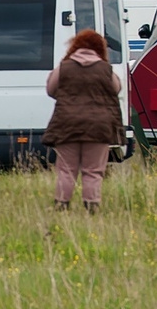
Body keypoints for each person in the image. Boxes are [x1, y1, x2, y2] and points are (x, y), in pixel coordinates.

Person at [42, 28, 125, 213]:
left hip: (67, 125)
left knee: (66, 170)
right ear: (100, 48)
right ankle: (91, 208)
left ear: (75, 46)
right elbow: (116, 89)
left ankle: (61, 206)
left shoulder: (64, 67)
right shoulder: (106, 69)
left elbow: (50, 89)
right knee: (93, 170)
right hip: (99, 127)